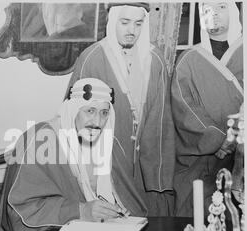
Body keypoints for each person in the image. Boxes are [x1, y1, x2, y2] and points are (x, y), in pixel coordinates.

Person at [0, 78, 146, 231]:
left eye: (104, 113)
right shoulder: (39, 141)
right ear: (73, 111)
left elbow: (105, 192)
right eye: (90, 111)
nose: (97, 122)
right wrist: (80, 211)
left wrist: (114, 208)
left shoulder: (105, 141)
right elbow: (18, 214)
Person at [66, 3, 175, 216]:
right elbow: (72, 119)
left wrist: (158, 175)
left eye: (138, 23)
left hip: (145, 165)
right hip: (108, 165)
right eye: (124, 22)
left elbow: (162, 121)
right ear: (113, 20)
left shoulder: (156, 60)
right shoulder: (92, 58)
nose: (131, 30)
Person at [171, 2, 243, 217]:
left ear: (233, 10)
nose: (213, 14)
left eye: (220, 7)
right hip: (202, 159)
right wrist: (220, 139)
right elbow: (184, 108)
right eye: (206, 10)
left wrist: (238, 137)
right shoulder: (188, 60)